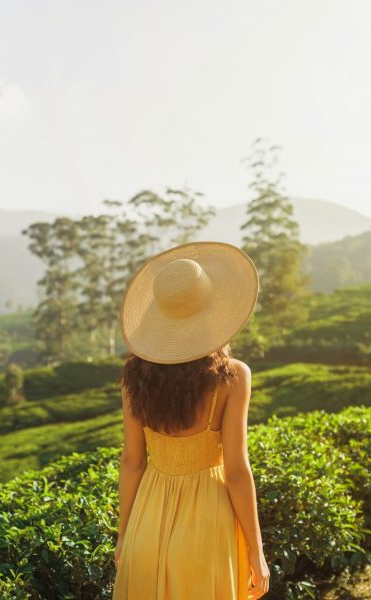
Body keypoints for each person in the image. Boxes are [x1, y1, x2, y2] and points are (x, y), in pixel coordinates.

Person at [112, 241, 270, 599]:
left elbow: (133, 462)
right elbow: (236, 471)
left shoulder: (134, 378)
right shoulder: (232, 377)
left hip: (147, 523)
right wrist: (257, 551)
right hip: (208, 525)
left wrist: (124, 535)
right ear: (215, 309)